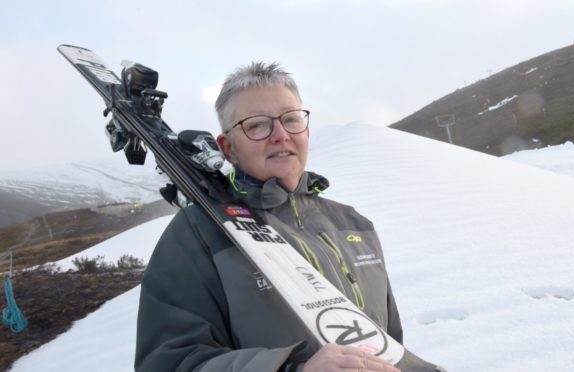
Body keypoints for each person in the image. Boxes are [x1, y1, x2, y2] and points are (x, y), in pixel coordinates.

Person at [135, 62, 442, 372]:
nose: (280, 135)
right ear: (228, 148)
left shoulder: (353, 224)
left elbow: (389, 345)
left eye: (291, 119)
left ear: (305, 130)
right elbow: (170, 363)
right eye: (257, 125)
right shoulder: (197, 233)